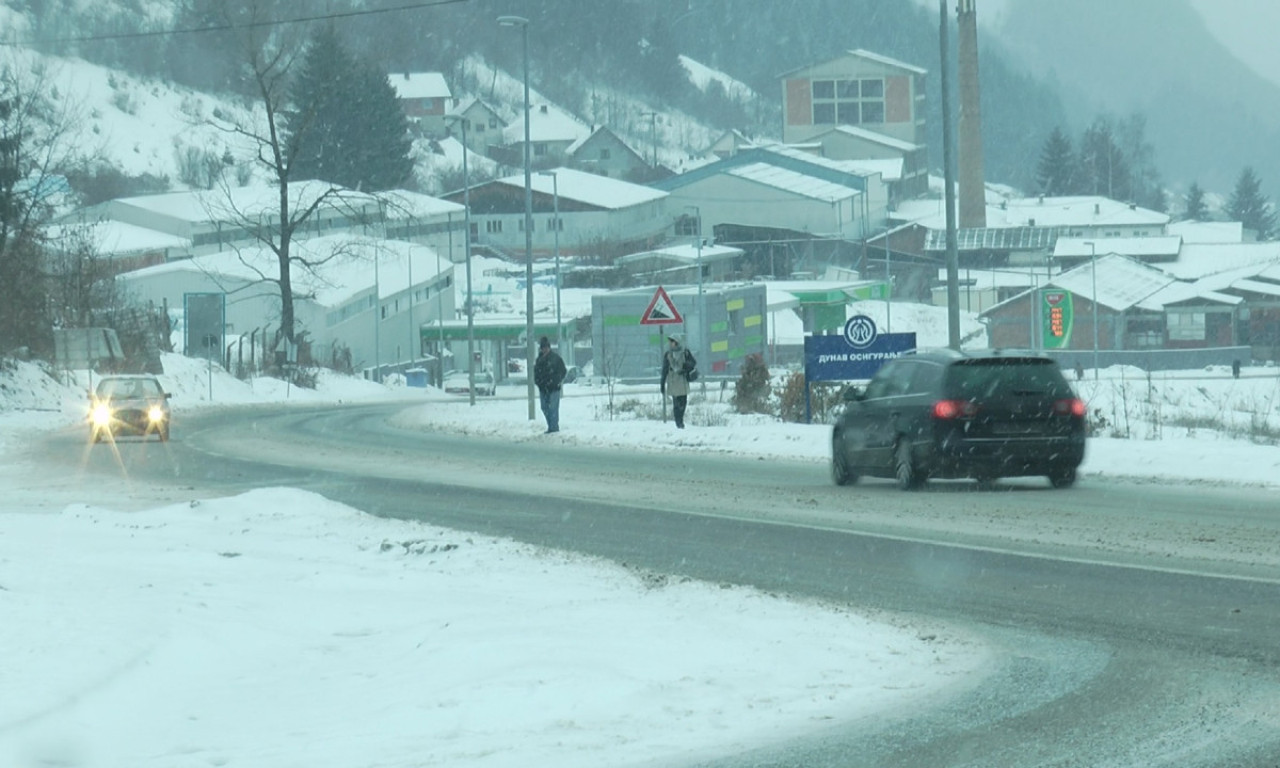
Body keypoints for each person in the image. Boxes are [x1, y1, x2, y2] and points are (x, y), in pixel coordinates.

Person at [660, 333, 696, 429]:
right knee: (676, 404)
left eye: (672, 341)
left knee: (683, 402)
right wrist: (662, 383)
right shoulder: (668, 354)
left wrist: (686, 366)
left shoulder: (685, 352)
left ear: (677, 342)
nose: (670, 343)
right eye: (670, 341)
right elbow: (664, 369)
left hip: (682, 379)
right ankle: (678, 423)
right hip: (673, 380)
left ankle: (680, 420)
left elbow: (693, 362)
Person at [533, 336, 567, 433]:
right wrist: (538, 382)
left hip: (554, 388)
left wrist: (556, 380)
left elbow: (563, 371)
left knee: (553, 408)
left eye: (546, 347)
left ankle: (554, 427)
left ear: (549, 347)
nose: (545, 350)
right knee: (544, 407)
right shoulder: (539, 361)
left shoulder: (556, 359)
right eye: (543, 348)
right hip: (543, 388)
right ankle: (550, 425)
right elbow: (536, 373)